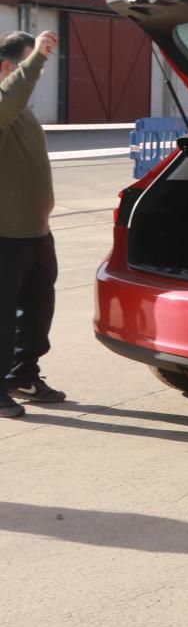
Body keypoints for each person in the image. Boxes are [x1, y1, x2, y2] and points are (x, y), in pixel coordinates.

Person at [0, 30, 66, 418]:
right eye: (29, 66)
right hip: (5, 235)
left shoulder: (19, 106)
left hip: (36, 231)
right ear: (8, 67)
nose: (37, 74)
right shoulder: (5, 104)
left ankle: (22, 375)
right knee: (3, 316)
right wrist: (37, 59)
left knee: (38, 310)